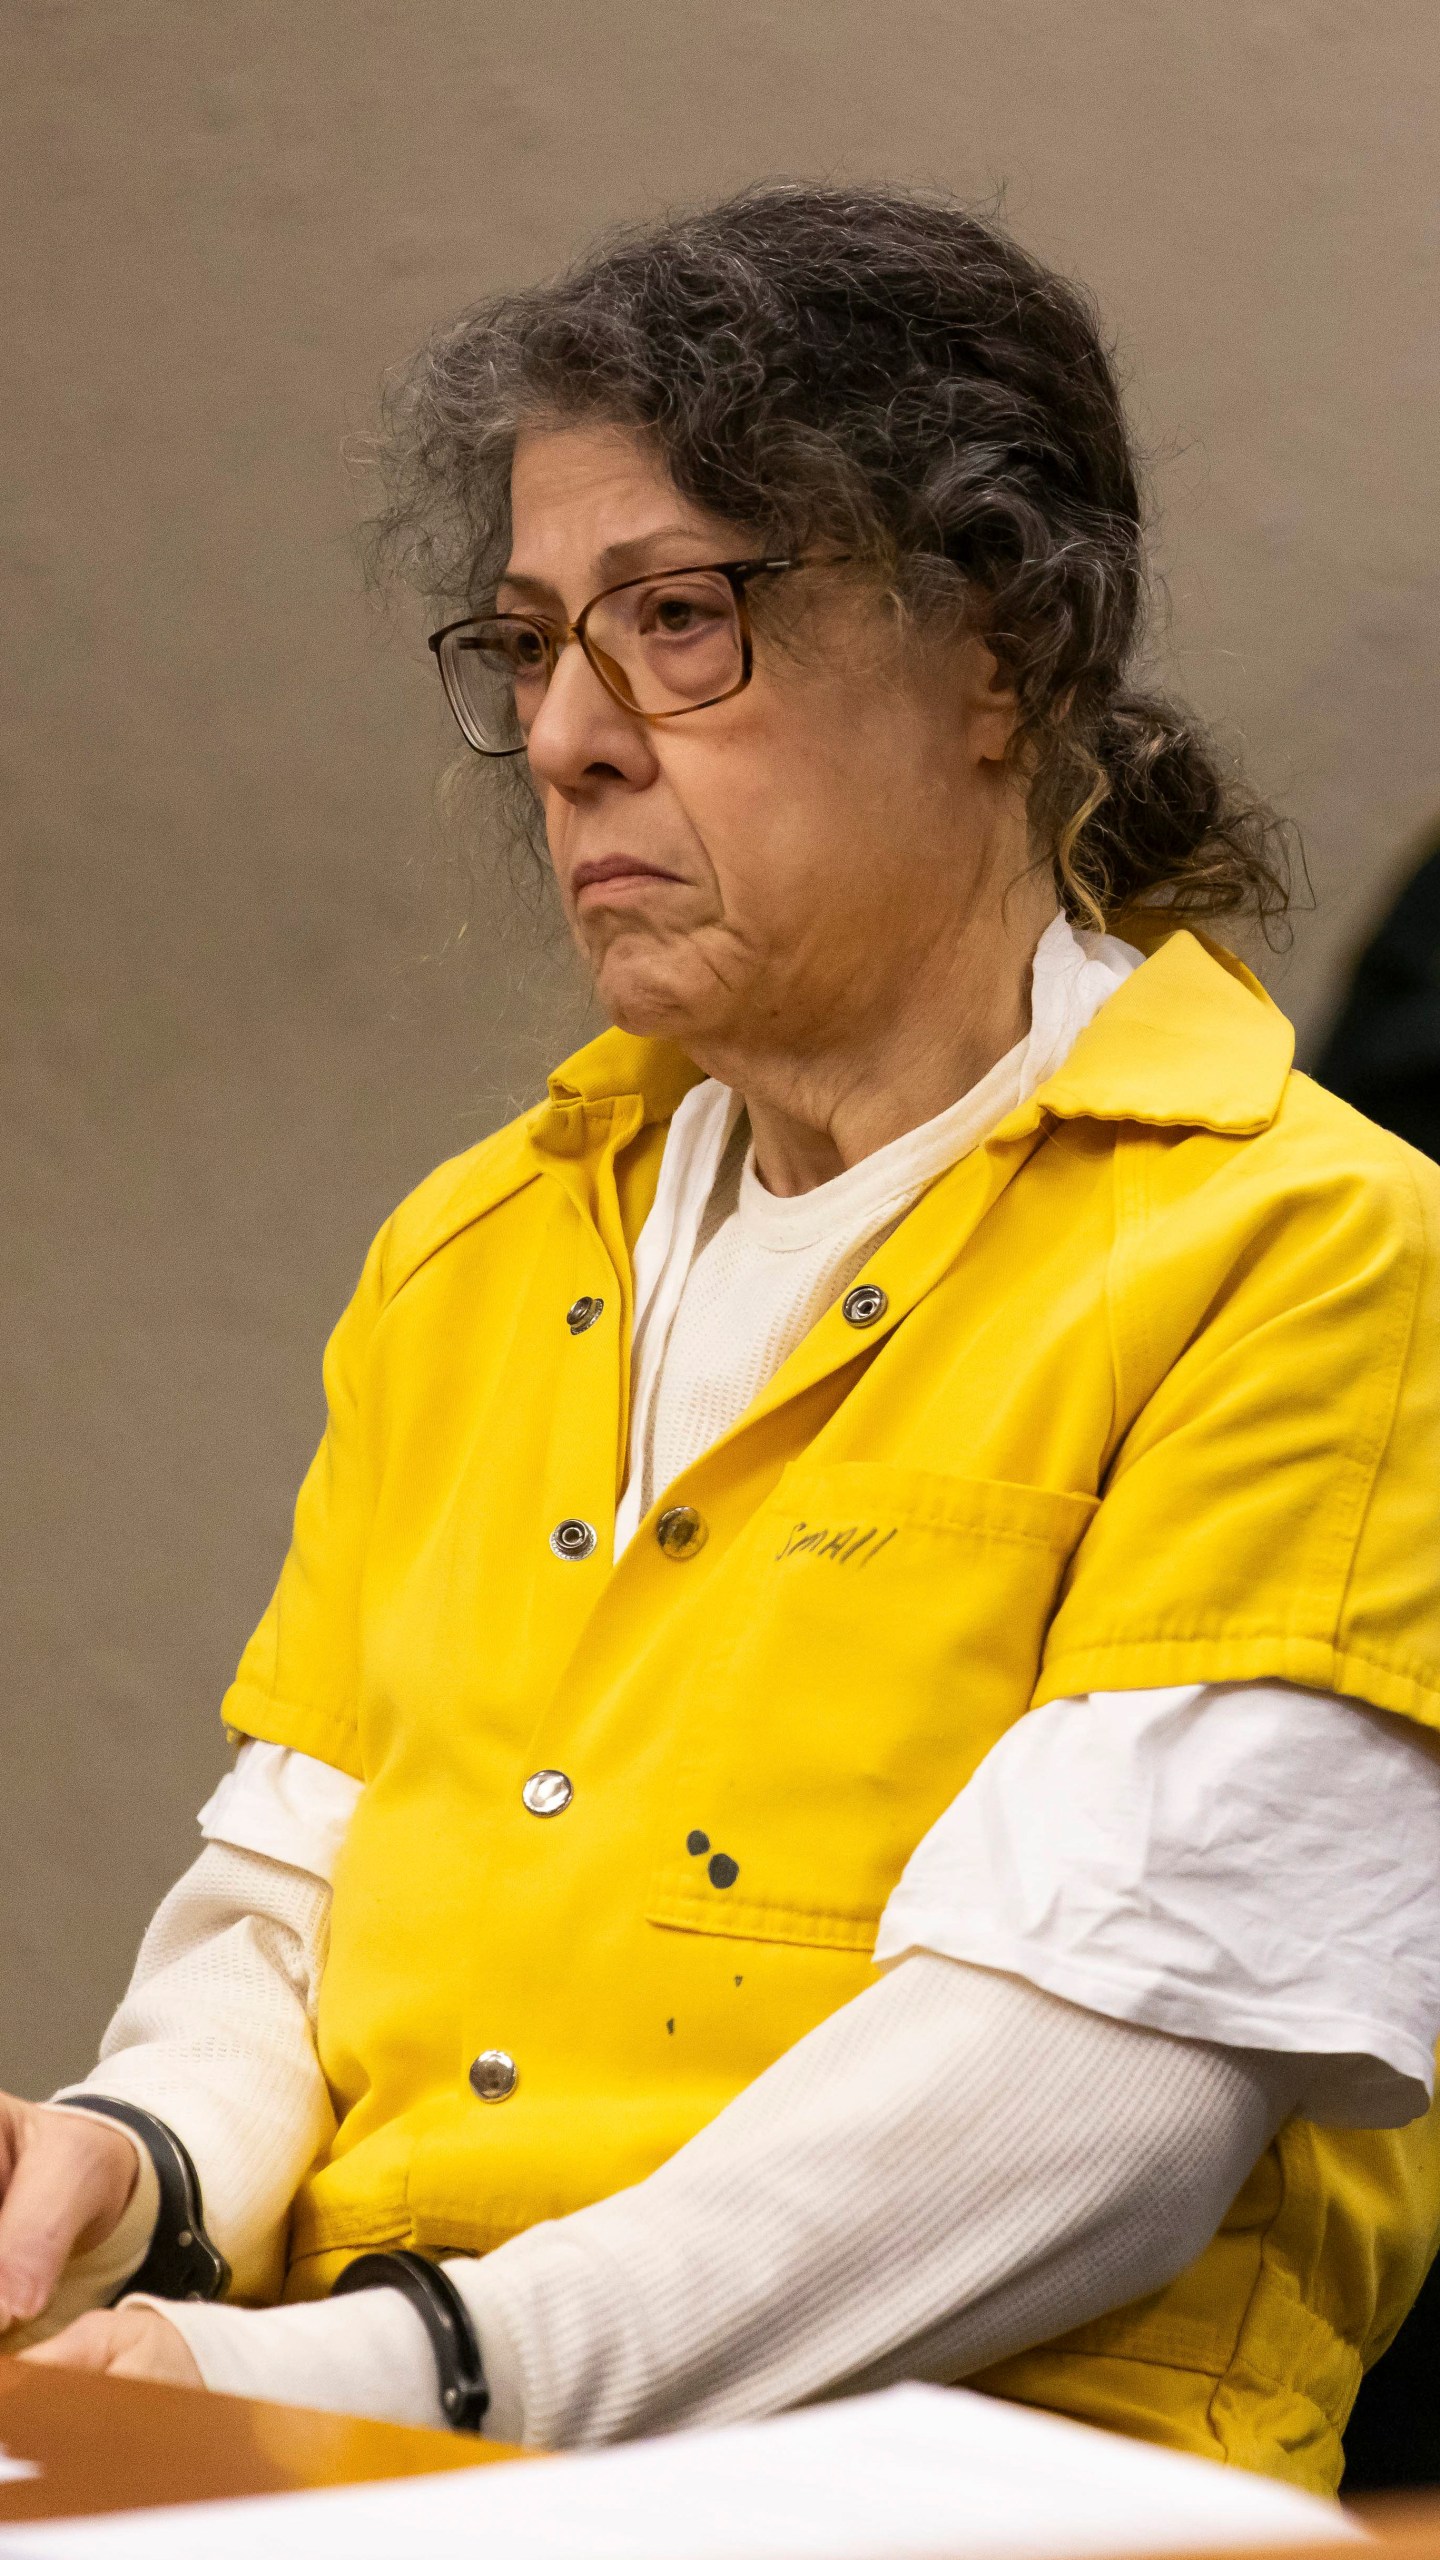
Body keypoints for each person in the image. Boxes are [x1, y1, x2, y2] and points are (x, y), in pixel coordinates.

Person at [4, 185, 1440, 2494]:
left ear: (1002, 650)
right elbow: (301, 1893)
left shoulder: (1310, 1248)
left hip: (978, 2495)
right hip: (402, 2440)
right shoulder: (471, 1246)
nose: (567, 736)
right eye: (530, 644)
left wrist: (379, 2380)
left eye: (679, 624)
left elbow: (1091, 2101)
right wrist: (139, 2154)